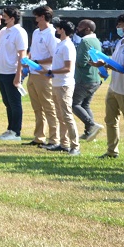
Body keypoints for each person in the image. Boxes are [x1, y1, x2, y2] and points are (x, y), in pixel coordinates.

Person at [99, 12, 124, 164]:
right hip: (114, 87)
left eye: (120, 24)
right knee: (110, 120)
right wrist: (103, 63)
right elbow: (116, 62)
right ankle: (111, 151)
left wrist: (107, 65)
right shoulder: (121, 42)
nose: (118, 27)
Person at [21, 5, 60, 148]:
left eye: (36, 16)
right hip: (33, 73)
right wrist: (27, 61)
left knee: (48, 107)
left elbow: (54, 57)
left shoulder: (52, 34)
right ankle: (39, 137)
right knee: (37, 108)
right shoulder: (37, 32)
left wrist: (37, 62)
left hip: (44, 75)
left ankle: (54, 139)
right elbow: (33, 50)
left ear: (42, 17)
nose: (35, 19)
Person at [0, 6, 28, 141]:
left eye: (5, 16)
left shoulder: (19, 32)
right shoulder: (4, 30)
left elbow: (22, 54)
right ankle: (10, 129)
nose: (2, 18)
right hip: (2, 71)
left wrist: (18, 75)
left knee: (15, 103)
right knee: (7, 103)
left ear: (12, 18)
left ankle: (16, 132)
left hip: (12, 71)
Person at [46, 19, 80, 155]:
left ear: (62, 30)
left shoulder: (68, 46)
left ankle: (75, 146)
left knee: (67, 116)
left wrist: (52, 72)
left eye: (57, 28)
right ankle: (64, 143)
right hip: (56, 83)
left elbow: (68, 67)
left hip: (64, 85)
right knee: (60, 115)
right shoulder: (61, 44)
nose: (55, 30)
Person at [73, 19, 104, 141]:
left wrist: (70, 60)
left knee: (74, 104)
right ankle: (89, 133)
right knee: (85, 105)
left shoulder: (85, 41)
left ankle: (92, 125)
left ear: (88, 29)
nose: (77, 29)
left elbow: (81, 62)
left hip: (84, 79)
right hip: (95, 78)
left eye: (80, 27)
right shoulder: (96, 40)